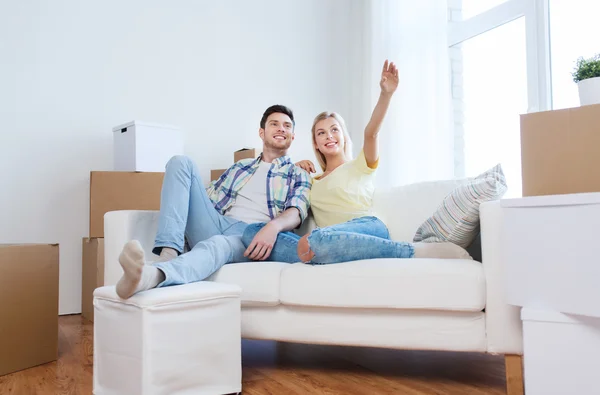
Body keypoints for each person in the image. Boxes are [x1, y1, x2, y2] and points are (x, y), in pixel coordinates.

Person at [242, 61, 468, 264]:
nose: (329, 136)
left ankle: (412, 252)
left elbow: (371, 133)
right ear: (316, 143)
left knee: (318, 239)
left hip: (367, 229)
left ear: (343, 136)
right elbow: (287, 198)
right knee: (252, 232)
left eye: (334, 130)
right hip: (328, 241)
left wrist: (386, 94)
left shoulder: (361, 165)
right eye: (321, 133)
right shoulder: (310, 180)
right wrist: (295, 166)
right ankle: (320, 252)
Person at [115, 105, 312, 299]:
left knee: (218, 244)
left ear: (292, 136)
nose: (281, 129)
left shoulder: (297, 173)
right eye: (274, 124)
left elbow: (296, 210)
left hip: (251, 235)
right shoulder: (240, 167)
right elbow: (205, 196)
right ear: (262, 132)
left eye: (287, 126)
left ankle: (150, 276)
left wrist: (273, 227)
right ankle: (169, 254)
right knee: (180, 162)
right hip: (217, 222)